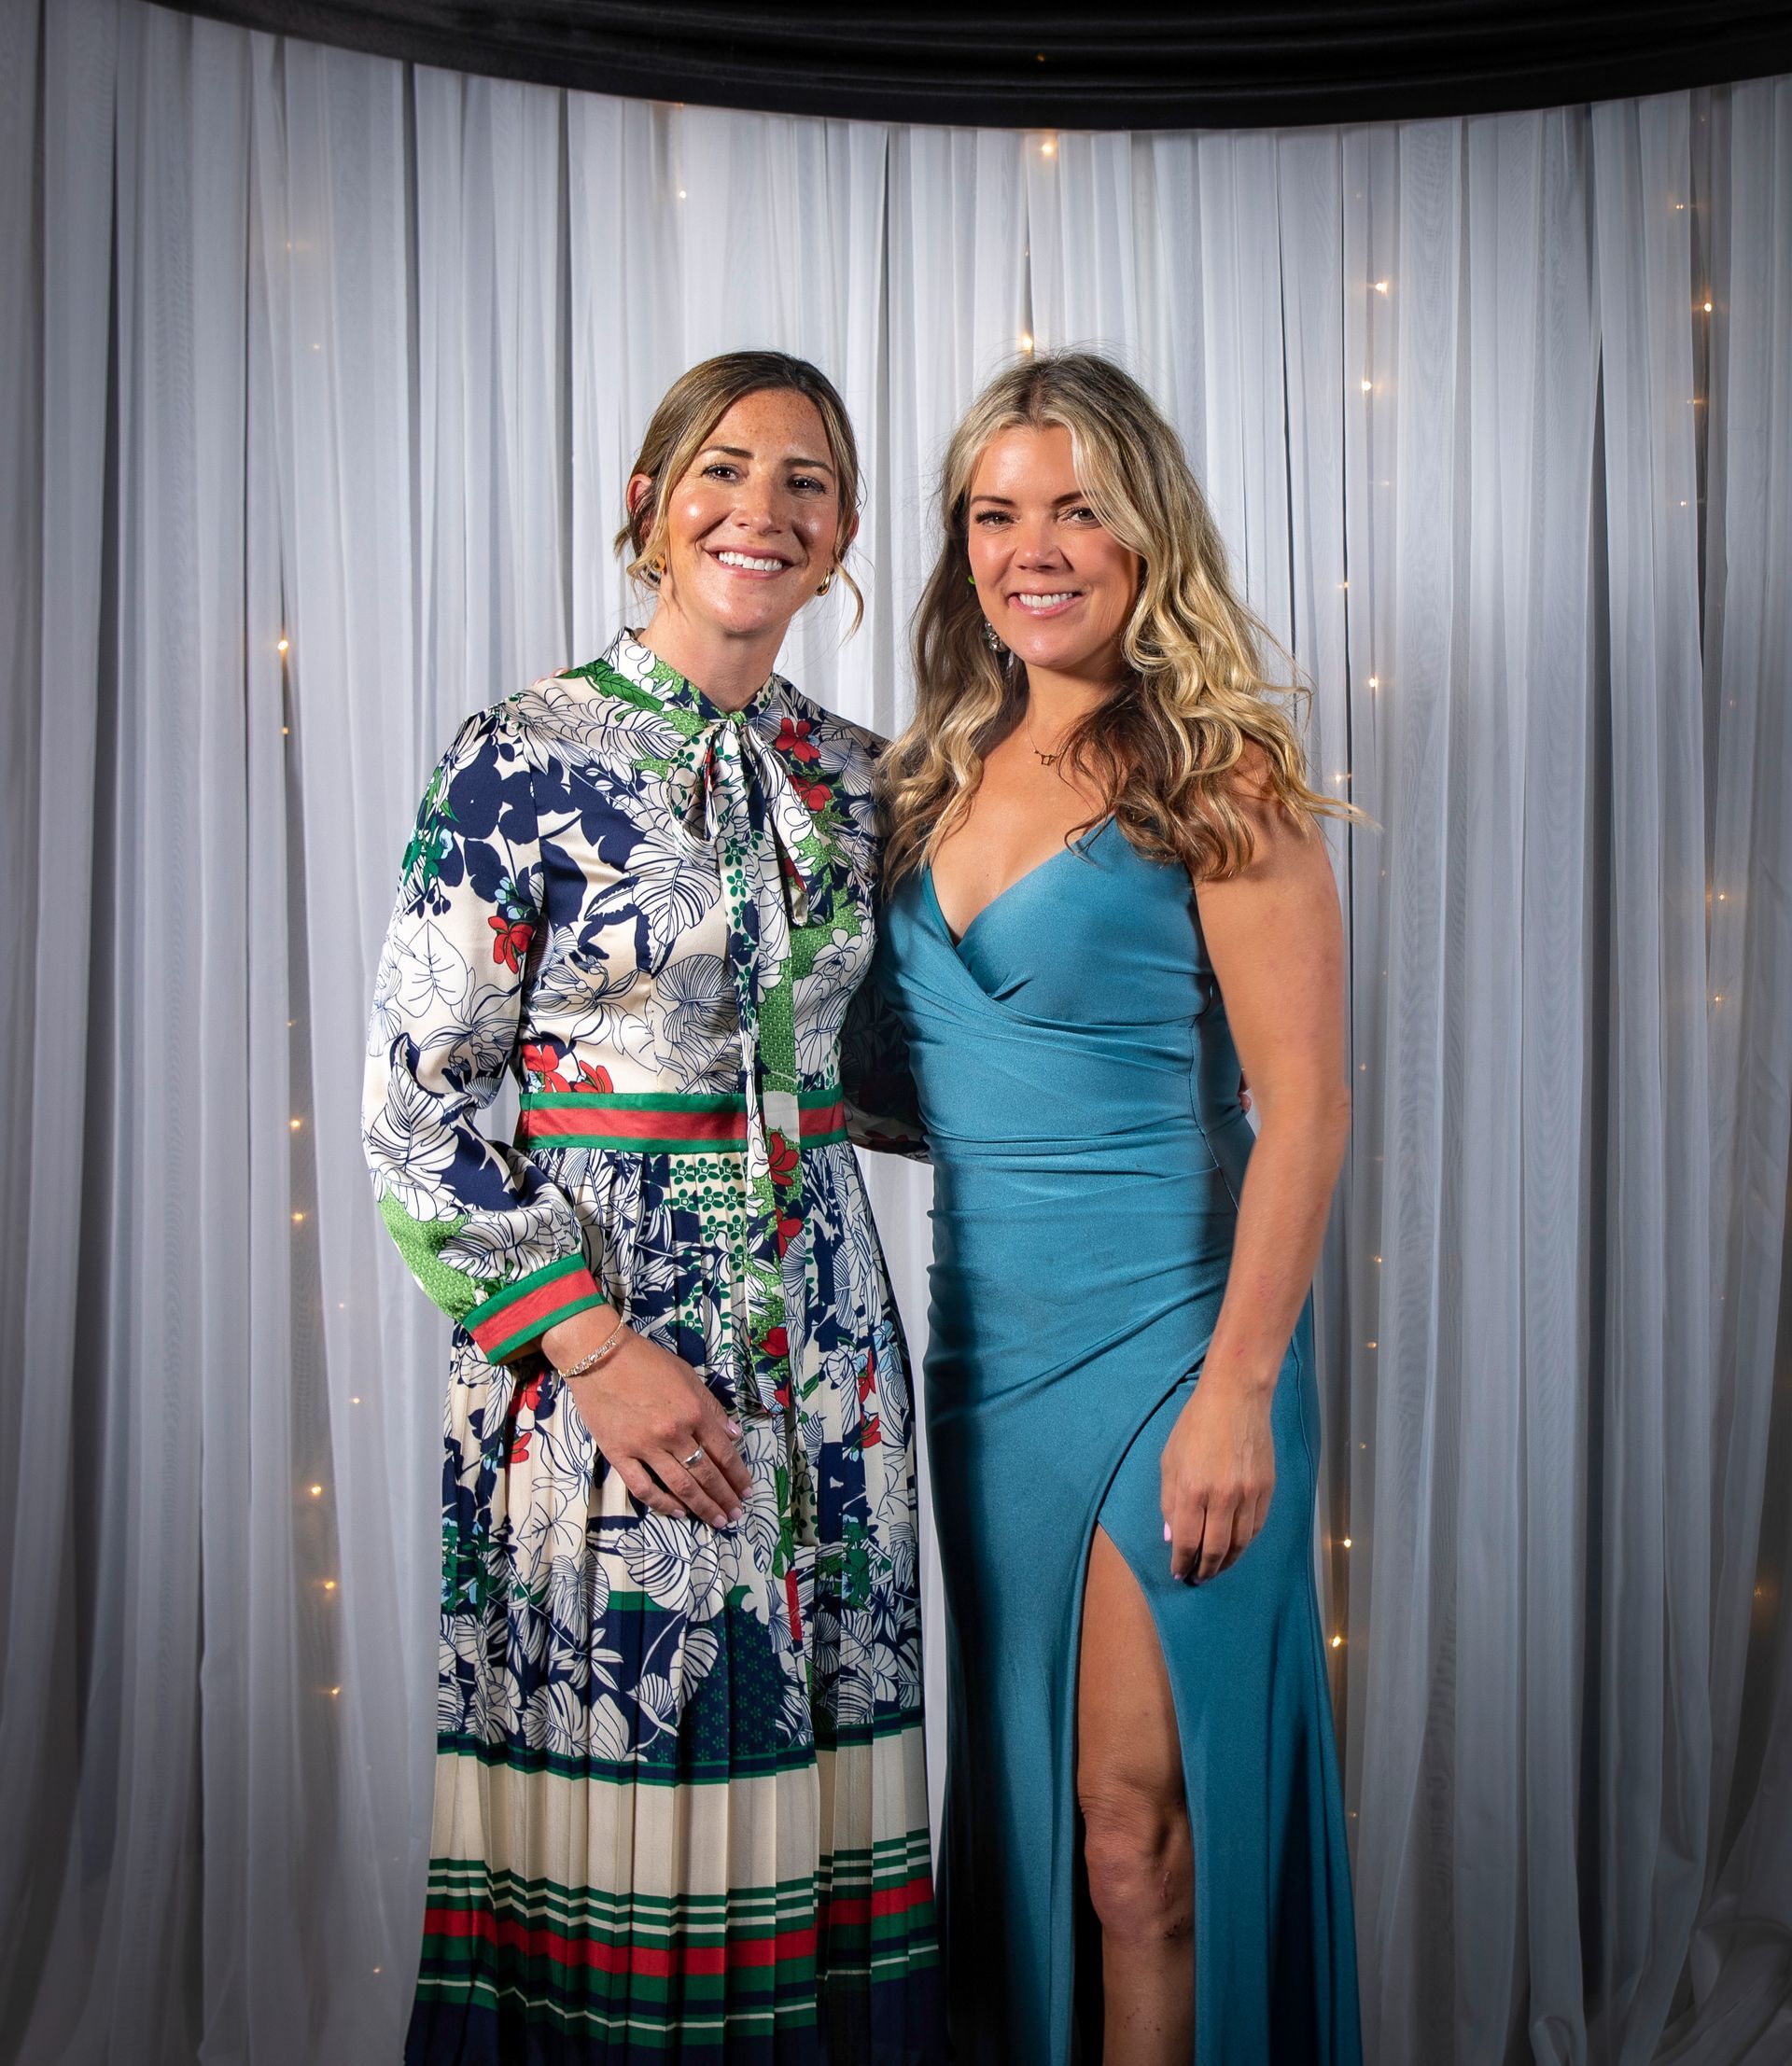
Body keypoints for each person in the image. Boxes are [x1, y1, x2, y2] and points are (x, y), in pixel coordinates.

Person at [363, 350, 945, 2064]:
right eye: (724, 470)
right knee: (632, 1757)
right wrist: (596, 1352)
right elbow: (418, 1106)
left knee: (818, 1760)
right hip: (595, 1347)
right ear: (648, 503)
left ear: (840, 541)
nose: (762, 509)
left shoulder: (870, 779)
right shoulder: (520, 753)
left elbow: (929, 1063)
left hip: (829, 1343)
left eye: (808, 484)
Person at [872, 351, 1365, 2064]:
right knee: (1032, 1820)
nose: (1038, 547)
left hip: (1179, 1345)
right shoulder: (925, 776)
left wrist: (1240, 1389)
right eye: (998, 513)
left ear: (1147, 532)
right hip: (984, 1359)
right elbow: (911, 1082)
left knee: (1133, 1837)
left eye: (1080, 506)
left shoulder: (1218, 775)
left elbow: (1308, 1110)